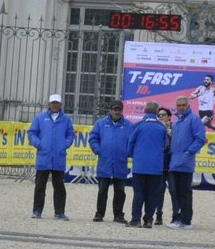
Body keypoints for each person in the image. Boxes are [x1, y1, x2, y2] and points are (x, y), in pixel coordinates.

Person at [28, 93, 73, 220]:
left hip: (58, 157)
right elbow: (32, 133)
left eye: (57, 103)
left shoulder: (66, 119)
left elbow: (70, 134)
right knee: (40, 186)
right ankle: (37, 211)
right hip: (44, 156)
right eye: (53, 103)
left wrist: (65, 144)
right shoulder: (40, 118)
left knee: (59, 186)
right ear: (49, 104)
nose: (55, 105)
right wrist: (39, 144)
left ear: (60, 104)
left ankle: (59, 212)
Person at [88, 99, 132, 223]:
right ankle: (99, 214)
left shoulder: (129, 125)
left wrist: (127, 152)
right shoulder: (100, 123)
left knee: (120, 191)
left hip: (120, 163)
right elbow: (93, 138)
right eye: (114, 109)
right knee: (102, 190)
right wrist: (98, 150)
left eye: (119, 109)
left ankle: (118, 215)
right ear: (110, 110)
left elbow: (132, 142)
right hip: (105, 163)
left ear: (122, 110)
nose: (116, 112)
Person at [166, 96, 206, 228]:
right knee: (176, 192)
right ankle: (178, 218)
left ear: (188, 105)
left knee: (184, 192)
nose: (181, 107)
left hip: (185, 163)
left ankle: (186, 220)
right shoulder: (178, 121)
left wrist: (189, 152)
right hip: (175, 162)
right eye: (179, 105)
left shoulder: (194, 119)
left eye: (183, 105)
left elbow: (200, 139)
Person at [127, 101, 165, 229]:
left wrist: (132, 155)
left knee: (138, 193)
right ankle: (148, 220)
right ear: (156, 112)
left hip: (140, 165)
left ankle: (136, 219)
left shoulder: (138, 125)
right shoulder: (162, 127)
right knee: (152, 194)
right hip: (156, 166)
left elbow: (130, 143)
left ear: (144, 111)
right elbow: (165, 145)